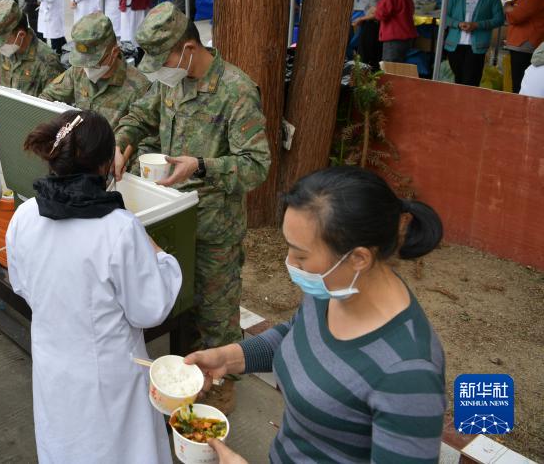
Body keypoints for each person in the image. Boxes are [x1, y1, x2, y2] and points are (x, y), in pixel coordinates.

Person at [186, 166, 446, 463]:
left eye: (301, 255)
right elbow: (297, 334)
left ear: (358, 258)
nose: (290, 263)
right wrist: (229, 358)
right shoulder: (336, 288)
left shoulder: (409, 375)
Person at [112, 3, 271, 414]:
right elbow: (140, 116)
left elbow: (257, 166)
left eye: (162, 60)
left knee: (216, 312)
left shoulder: (236, 91)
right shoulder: (172, 81)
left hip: (214, 227)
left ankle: (222, 385)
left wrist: (200, 166)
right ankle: (188, 371)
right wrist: (122, 142)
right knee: (180, 300)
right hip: (172, 218)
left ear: (187, 49)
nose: (159, 71)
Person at [6, 110, 181, 464]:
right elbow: (150, 308)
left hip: (54, 363)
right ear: (106, 166)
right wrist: (162, 258)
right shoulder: (119, 228)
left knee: (65, 445)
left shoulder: (25, 215)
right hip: (108, 375)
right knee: (116, 450)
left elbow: (21, 283)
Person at [39, 13, 153, 134]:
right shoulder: (78, 71)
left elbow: (147, 135)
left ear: (114, 53)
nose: (87, 68)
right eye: (83, 61)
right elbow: (46, 98)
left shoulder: (139, 88)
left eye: (93, 63)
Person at [0, 0, 63, 96]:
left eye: (2, 40)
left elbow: (53, 100)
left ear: (21, 35)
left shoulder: (47, 61)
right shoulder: (0, 48)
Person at [443, 0, 504, 87]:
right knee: (459, 79)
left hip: (476, 47)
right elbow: (444, 17)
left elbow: (499, 19)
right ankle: (459, 99)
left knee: (470, 81)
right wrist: (458, 24)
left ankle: (468, 100)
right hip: (455, 45)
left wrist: (477, 25)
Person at [503, 0, 544, 93]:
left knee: (520, 83)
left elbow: (516, 16)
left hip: (526, 44)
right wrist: (510, 7)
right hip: (523, 43)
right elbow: (512, 4)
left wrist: (509, 8)